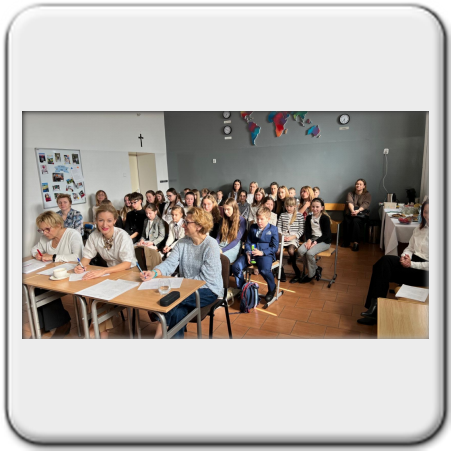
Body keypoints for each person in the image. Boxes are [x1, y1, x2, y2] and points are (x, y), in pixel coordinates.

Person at [139, 207, 223, 339]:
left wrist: (182, 284)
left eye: (187, 222)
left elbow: (206, 279)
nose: (183, 225)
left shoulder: (211, 245)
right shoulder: (182, 242)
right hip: (186, 288)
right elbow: (169, 263)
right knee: (178, 311)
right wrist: (154, 273)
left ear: (199, 226)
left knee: (172, 300)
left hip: (208, 289)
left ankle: (158, 331)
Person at [357, 200, 429, 326]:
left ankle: (375, 311)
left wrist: (411, 264)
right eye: (426, 212)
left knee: (384, 268)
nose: (428, 215)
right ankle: (375, 307)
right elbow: (410, 248)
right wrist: (405, 256)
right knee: (383, 263)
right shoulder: (420, 228)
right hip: (412, 262)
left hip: (425, 272)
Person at [74, 203, 137, 338]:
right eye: (101, 220)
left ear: (115, 220)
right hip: (111, 273)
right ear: (96, 221)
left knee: (99, 297)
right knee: (96, 294)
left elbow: (127, 263)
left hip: (130, 272)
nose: (104, 224)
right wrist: (80, 266)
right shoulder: (94, 236)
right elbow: (86, 257)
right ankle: (99, 332)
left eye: (109, 220)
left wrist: (103, 272)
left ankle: (94, 331)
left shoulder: (122, 236)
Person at [31, 211, 84, 337]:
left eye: (47, 229)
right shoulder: (45, 238)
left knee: (45, 287)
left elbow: (77, 256)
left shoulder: (72, 234)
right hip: (55, 273)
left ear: (58, 225)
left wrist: (53, 257)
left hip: (74, 272)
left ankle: (62, 323)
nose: (44, 233)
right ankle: (43, 325)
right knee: (36, 287)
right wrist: (37, 254)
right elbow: (34, 249)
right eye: (42, 230)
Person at [232, 206, 279, 303]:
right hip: (251, 253)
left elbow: (275, 247)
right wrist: (248, 252)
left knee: (264, 270)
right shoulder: (253, 227)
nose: (259, 221)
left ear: (268, 219)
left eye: (262, 219)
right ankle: (243, 288)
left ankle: (272, 288)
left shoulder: (273, 229)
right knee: (236, 267)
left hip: (265, 255)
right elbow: (248, 242)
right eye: (257, 219)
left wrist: (262, 252)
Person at [295, 198, 331, 284]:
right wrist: (308, 240)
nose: (315, 209)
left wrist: (315, 242)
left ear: (322, 208)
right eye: (313, 206)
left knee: (309, 253)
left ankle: (310, 275)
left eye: (317, 207)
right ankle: (316, 269)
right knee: (300, 251)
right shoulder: (308, 217)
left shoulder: (325, 218)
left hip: (323, 241)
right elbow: (307, 231)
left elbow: (326, 235)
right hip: (312, 239)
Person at [277, 197, 305, 283]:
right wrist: (282, 235)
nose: (288, 208)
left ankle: (295, 269)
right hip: (283, 238)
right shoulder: (282, 215)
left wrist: (292, 237)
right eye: (287, 206)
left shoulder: (299, 215)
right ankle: (280, 270)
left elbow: (301, 230)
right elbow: (279, 227)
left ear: (295, 206)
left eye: (291, 206)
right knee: (277, 251)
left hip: (293, 238)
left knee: (291, 251)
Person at [341, 178, 372, 252]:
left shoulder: (367, 195)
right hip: (351, 212)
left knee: (356, 221)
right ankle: (347, 241)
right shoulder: (350, 194)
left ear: (364, 186)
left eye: (360, 184)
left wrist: (357, 211)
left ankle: (356, 243)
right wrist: (353, 211)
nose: (358, 185)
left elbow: (365, 204)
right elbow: (350, 202)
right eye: (357, 184)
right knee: (347, 221)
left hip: (362, 214)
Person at [216, 198, 246, 264]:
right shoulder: (223, 219)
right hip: (222, 243)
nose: (226, 212)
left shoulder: (242, 220)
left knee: (221, 259)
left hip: (233, 246)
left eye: (228, 209)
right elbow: (218, 237)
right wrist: (215, 246)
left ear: (234, 209)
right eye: (224, 209)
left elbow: (236, 240)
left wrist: (222, 250)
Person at [137, 203, 165, 269]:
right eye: (146, 213)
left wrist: (152, 242)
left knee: (146, 250)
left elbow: (161, 236)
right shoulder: (146, 221)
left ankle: (148, 267)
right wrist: (142, 240)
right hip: (147, 241)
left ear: (155, 212)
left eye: (150, 213)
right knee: (136, 247)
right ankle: (140, 266)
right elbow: (143, 234)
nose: (148, 215)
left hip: (156, 242)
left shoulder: (160, 221)